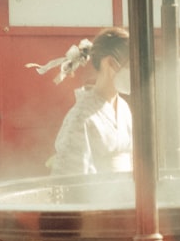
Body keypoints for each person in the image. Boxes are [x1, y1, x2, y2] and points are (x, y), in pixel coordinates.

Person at [30, 27, 133, 176]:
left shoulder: (124, 108)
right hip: (99, 195)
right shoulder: (80, 117)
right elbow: (69, 178)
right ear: (109, 63)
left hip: (127, 194)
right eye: (130, 65)